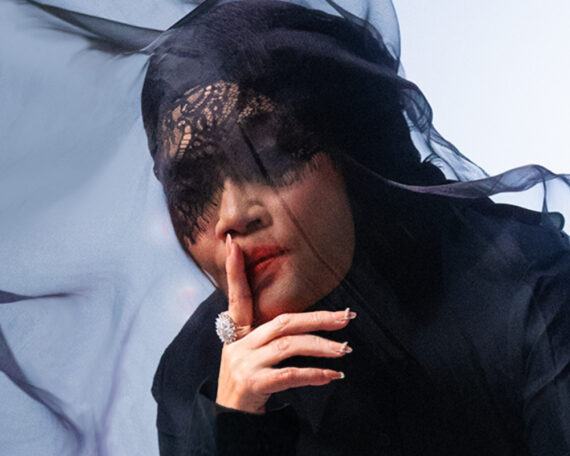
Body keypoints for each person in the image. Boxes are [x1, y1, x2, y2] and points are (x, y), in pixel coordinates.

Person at [142, 1, 570, 455]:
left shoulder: (524, 292)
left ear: (351, 150)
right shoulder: (193, 376)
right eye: (193, 186)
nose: (232, 215)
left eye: (265, 159)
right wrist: (230, 430)